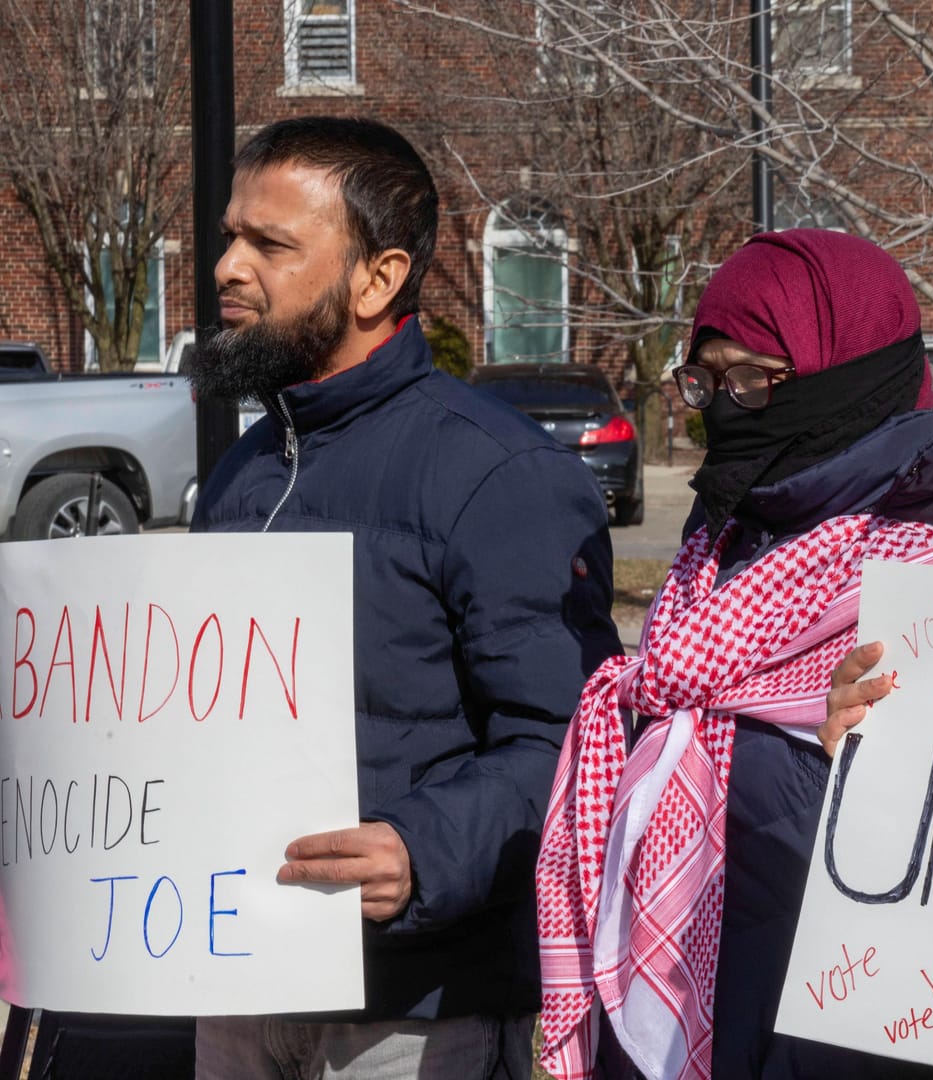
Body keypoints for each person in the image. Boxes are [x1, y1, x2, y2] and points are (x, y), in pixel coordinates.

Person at [535, 229, 933, 1080]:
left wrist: (855, 781)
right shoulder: (711, 565)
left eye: (755, 378)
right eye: (706, 379)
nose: (725, 405)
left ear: (851, 377)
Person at [189, 118, 622, 1077]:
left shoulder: (500, 475)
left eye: (269, 243)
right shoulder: (240, 476)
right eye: (230, 235)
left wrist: (421, 852)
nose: (227, 266)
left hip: (419, 1017)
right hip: (233, 980)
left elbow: (578, 742)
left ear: (377, 279)